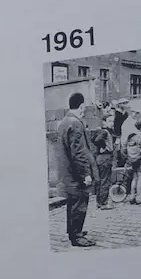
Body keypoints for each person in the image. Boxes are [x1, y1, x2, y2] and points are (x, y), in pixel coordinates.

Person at [58, 93, 96, 248]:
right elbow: (79, 153)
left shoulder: (64, 122)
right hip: (76, 173)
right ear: (81, 106)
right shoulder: (76, 124)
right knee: (80, 203)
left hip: (68, 171)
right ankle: (77, 236)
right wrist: (85, 174)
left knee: (72, 203)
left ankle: (72, 231)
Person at [124, 117, 141, 205]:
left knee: (134, 177)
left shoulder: (132, 135)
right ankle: (139, 197)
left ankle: (132, 196)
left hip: (133, 159)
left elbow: (124, 147)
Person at [90, 127, 115, 210]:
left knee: (100, 180)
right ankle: (103, 202)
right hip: (105, 158)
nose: (111, 123)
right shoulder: (105, 131)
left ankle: (99, 201)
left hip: (100, 158)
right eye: (109, 121)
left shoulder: (100, 131)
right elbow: (96, 140)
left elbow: (92, 139)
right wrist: (104, 147)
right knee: (105, 180)